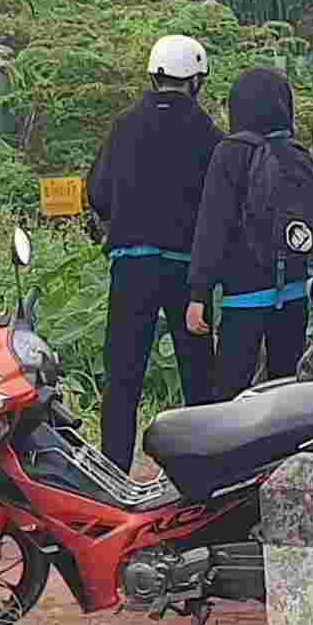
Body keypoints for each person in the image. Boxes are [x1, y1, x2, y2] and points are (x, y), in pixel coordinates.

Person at [85, 34, 222, 474]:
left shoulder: (123, 125)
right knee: (197, 375)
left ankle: (111, 474)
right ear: (196, 81)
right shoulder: (209, 134)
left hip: (131, 264)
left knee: (123, 377)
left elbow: (98, 193)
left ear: (154, 76)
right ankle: (199, 475)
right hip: (186, 271)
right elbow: (218, 206)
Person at [186, 65, 313, 400]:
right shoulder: (298, 155)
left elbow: (213, 227)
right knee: (287, 390)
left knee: (230, 391)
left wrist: (198, 294)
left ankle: (230, 450)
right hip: (295, 293)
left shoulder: (229, 153)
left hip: (243, 297)